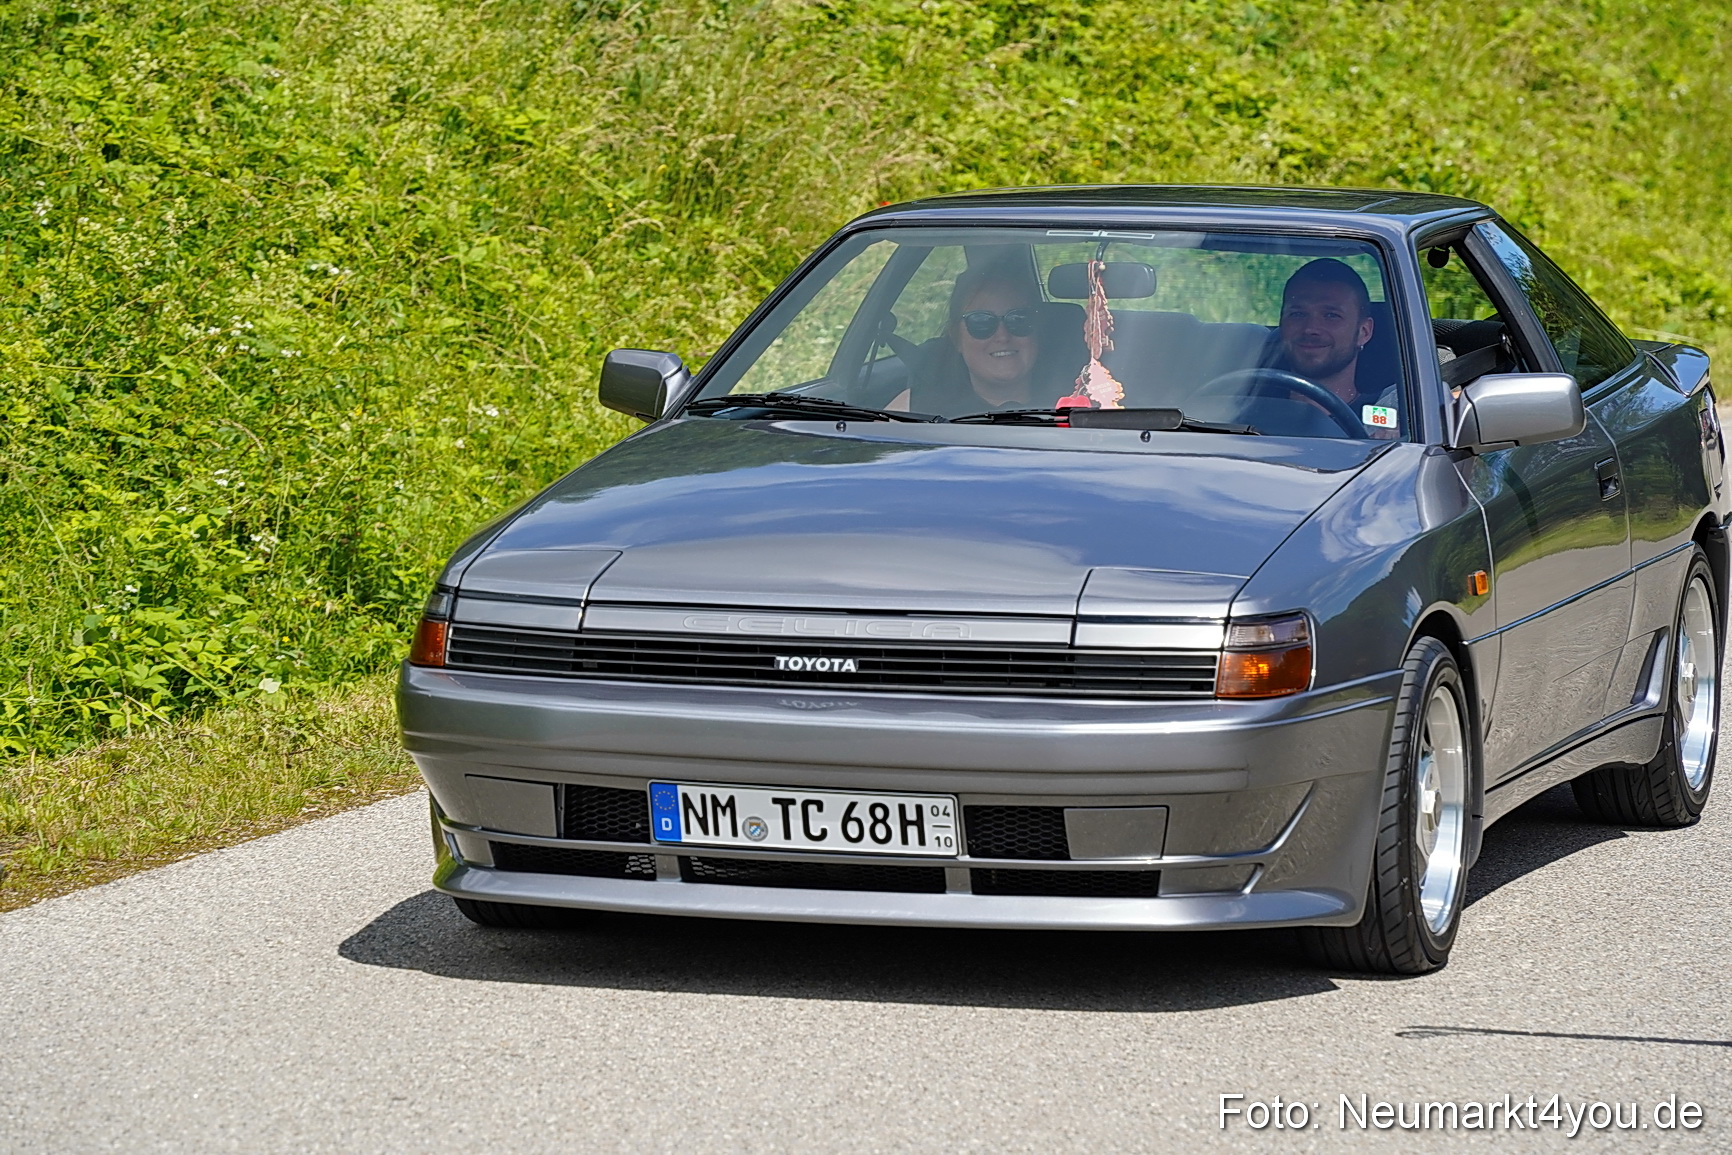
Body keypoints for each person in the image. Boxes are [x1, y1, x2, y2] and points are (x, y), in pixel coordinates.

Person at [1272, 258, 1399, 435]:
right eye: (1298, 314)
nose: (1310, 328)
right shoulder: (1239, 412)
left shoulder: (1391, 421)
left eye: (1331, 315)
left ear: (1364, 332)